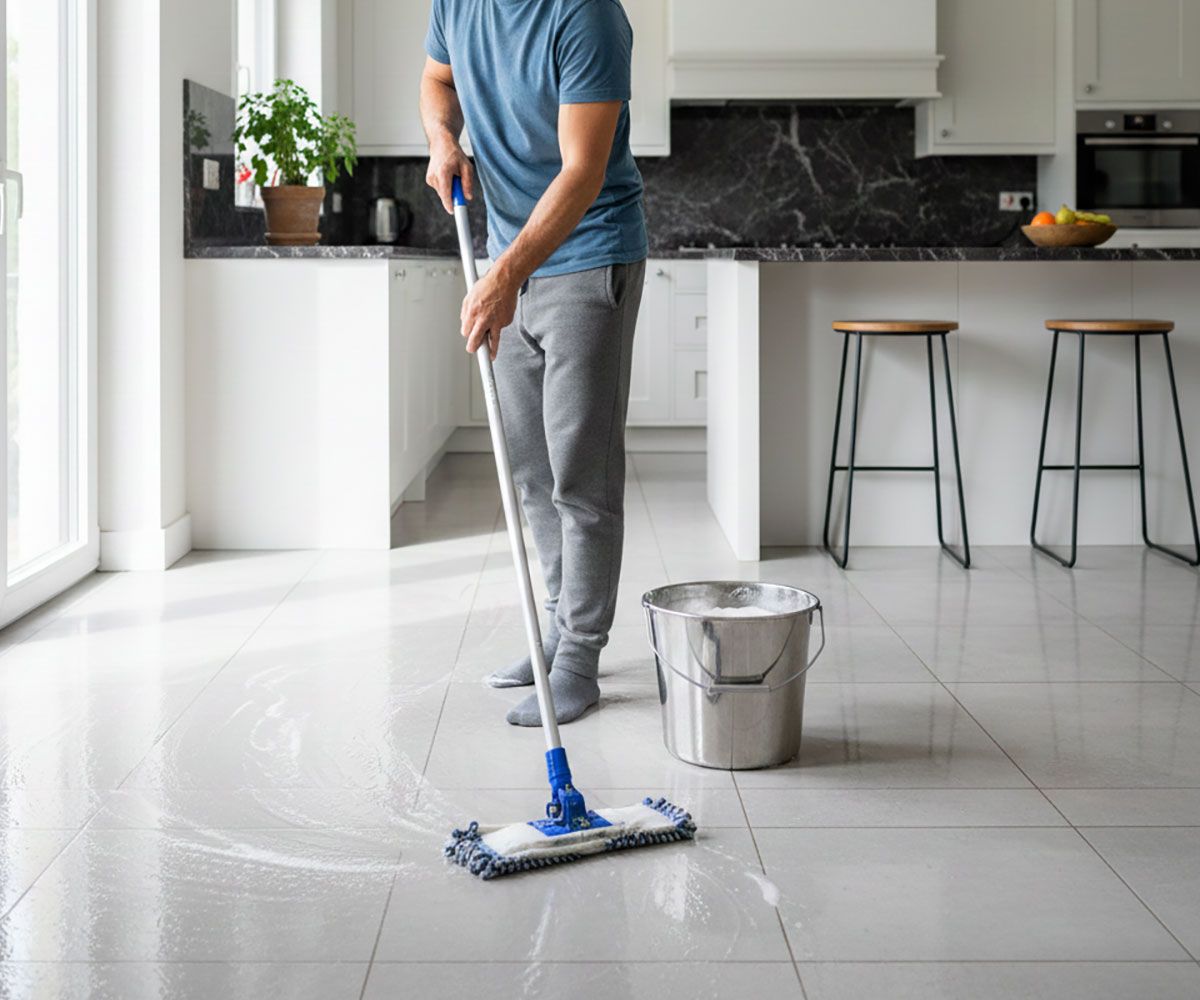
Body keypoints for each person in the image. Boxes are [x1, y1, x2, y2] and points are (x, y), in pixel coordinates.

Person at [420, 0, 647, 726]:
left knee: (581, 471)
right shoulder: (456, 3)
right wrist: (440, 140)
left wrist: (506, 273)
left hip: (588, 253)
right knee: (530, 467)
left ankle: (579, 656)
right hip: (507, 260)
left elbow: (582, 172)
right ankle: (554, 633)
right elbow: (436, 80)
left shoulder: (586, 16)